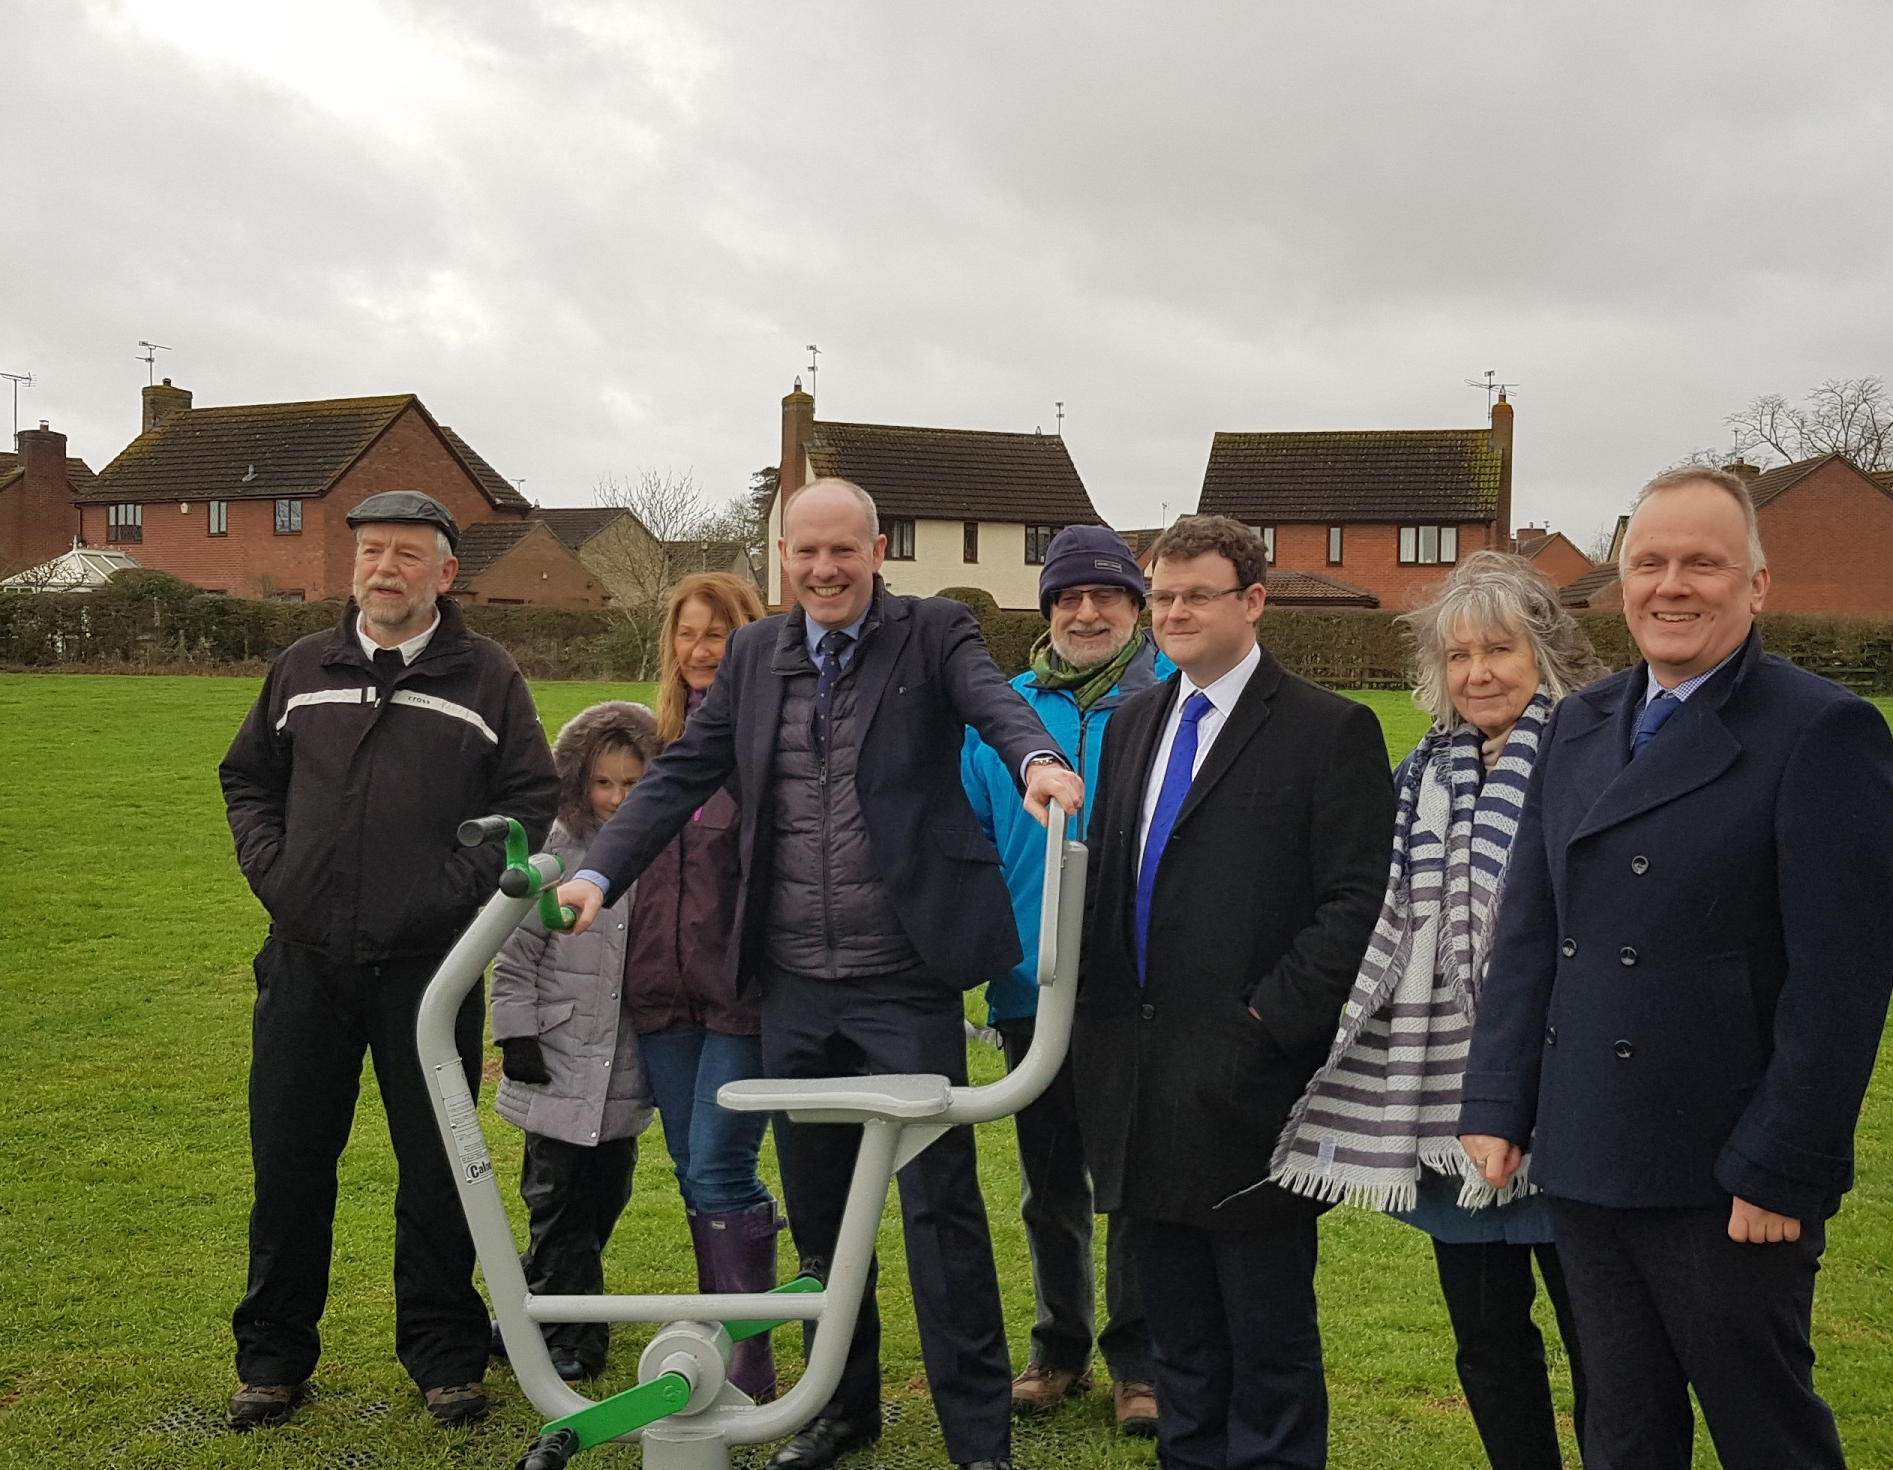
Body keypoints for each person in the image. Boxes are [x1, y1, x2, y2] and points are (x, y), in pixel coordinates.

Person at [548, 478, 1083, 1470]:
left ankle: (979, 1440)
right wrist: (596, 872)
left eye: (845, 551)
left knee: (938, 1212)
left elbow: (997, 705)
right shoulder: (756, 654)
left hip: (903, 981)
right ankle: (841, 1410)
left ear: (877, 551)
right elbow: (681, 773)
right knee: (823, 1220)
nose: (826, 570)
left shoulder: (933, 635)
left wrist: (1039, 761)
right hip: (791, 985)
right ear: (782, 557)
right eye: (807, 553)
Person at [1457, 468, 1893, 1470]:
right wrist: (1498, 1100)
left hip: (1727, 1171)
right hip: (1588, 1150)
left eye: (1702, 563)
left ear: (1754, 585)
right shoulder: (1580, 722)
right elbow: (1532, 926)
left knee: (1764, 1430)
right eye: (1649, 563)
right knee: (1622, 1431)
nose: (1672, 585)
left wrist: (1782, 1167)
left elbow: (1840, 989)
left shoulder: (1822, 732)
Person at [216, 489, 563, 1431]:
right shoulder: (301, 668)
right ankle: (274, 1356)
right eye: (372, 551)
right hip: (304, 962)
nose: (386, 569)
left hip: (428, 975)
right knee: (290, 1163)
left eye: (410, 554)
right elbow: (247, 779)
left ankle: (446, 1355)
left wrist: (446, 898)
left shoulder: (487, 678)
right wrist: (276, 872)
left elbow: (530, 802)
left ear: (447, 573)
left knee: (441, 1165)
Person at [1270, 552, 1607, 1469]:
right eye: (1458, 657)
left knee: (1605, 1348)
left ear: (1547, 654)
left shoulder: (1596, 753)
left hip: (1567, 1094)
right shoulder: (1419, 771)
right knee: (1488, 1341)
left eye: (1500, 649)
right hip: (1451, 1103)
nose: (1478, 674)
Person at [1072, 514, 1391, 1470]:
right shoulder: (1134, 722)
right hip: (1142, 1077)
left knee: (1267, 1339)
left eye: (1195, 595)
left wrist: (1268, 1019)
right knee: (1180, 1342)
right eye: (1162, 596)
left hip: (1252, 1085)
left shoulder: (1328, 728)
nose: (1173, 612)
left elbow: (1354, 897)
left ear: (1252, 602)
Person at [955, 525, 1170, 1436]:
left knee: (1131, 1182)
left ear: (1135, 608)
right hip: (1026, 986)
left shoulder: (1168, 706)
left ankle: (1140, 1361)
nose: (1087, 613)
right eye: (1069, 599)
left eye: (1106, 597)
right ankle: (1057, 1346)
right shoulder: (1000, 714)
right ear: (1047, 610)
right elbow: (965, 843)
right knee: (1050, 1184)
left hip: (1135, 983)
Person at [622, 571, 782, 1402]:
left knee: (720, 1168)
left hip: (739, 998)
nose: (699, 650)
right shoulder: (649, 750)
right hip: (659, 992)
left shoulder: (767, 754)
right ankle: (725, 1337)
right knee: (691, 1169)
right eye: (686, 633)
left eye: (716, 634)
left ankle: (751, 1366)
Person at [489, 701, 657, 1383]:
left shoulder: (658, 854)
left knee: (603, 1199)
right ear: (578, 781)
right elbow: (515, 953)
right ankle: (578, 1340)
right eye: (603, 784)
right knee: (557, 1206)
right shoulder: (552, 854)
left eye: (632, 785)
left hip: (625, 1062)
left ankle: (526, 1312)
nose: (616, 799)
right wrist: (517, 1033)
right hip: (555, 1065)